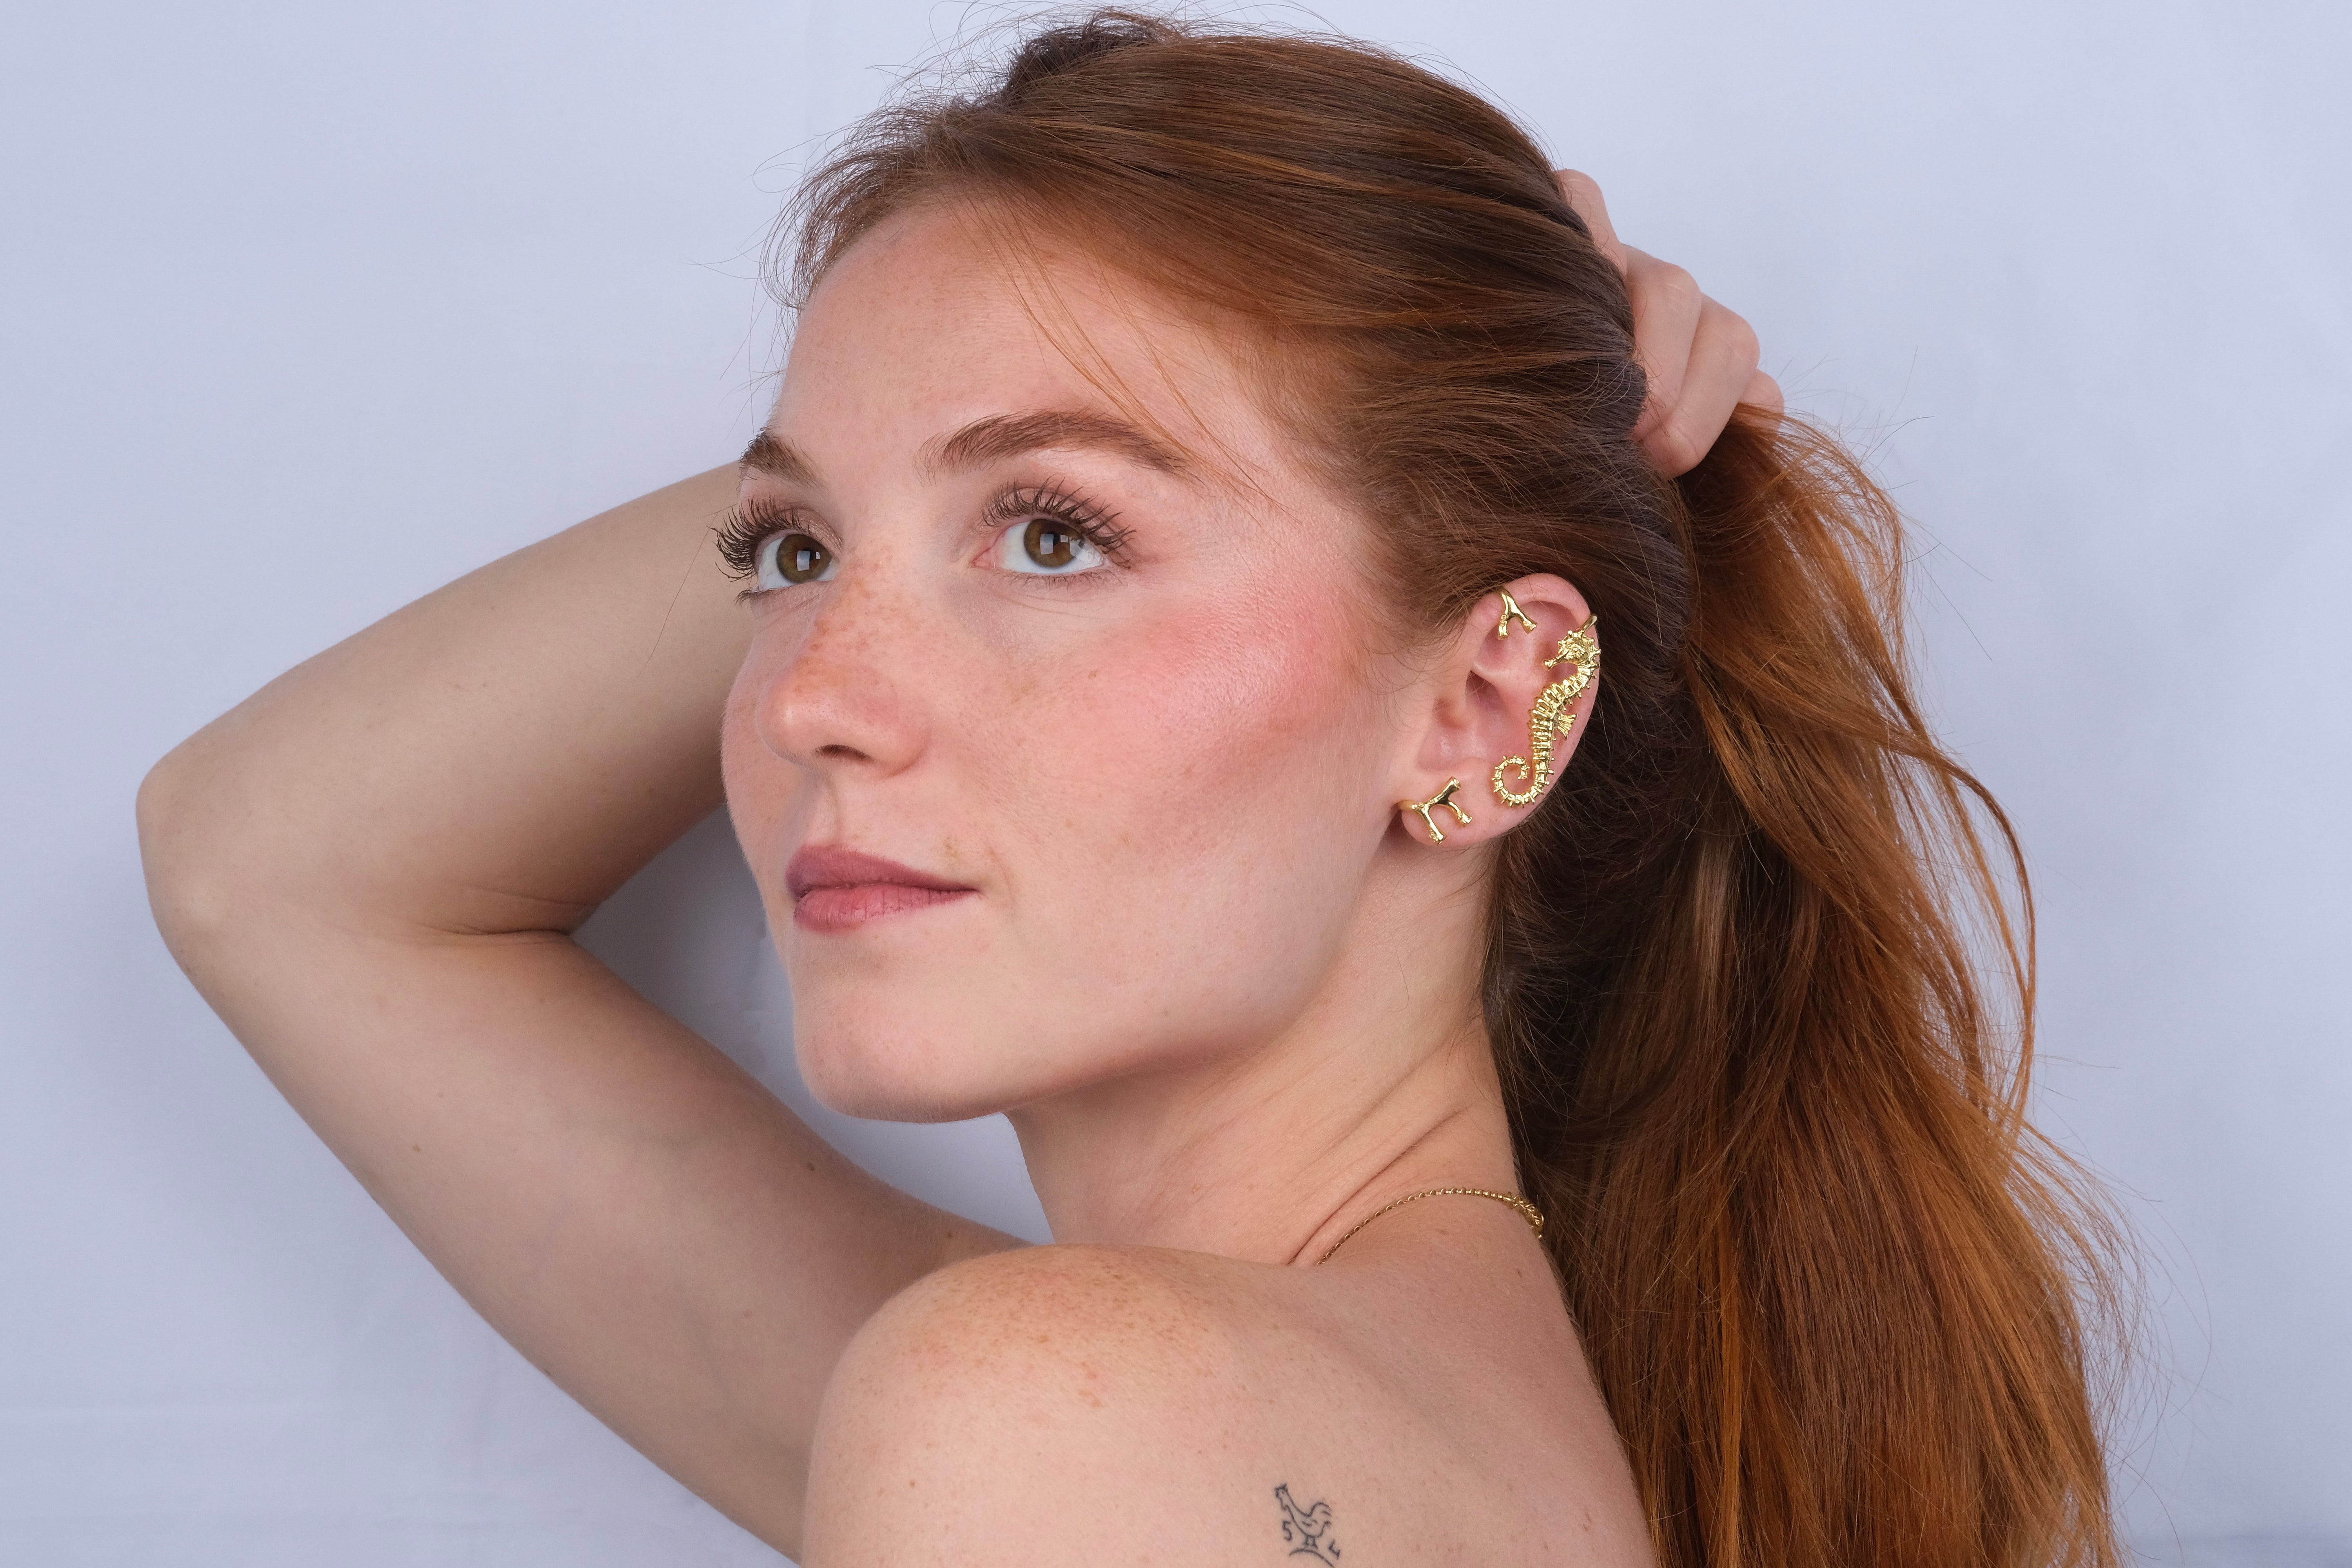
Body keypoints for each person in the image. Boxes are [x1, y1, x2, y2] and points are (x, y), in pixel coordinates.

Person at [137, 11, 2125, 1566]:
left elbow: (284, 866)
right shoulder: (1408, 1414)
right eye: (789, 553)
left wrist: (1480, 416)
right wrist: (1492, 416)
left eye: (1057, 537)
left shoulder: (1047, 1414)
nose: (816, 699)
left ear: (1482, 706)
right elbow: (270, 861)